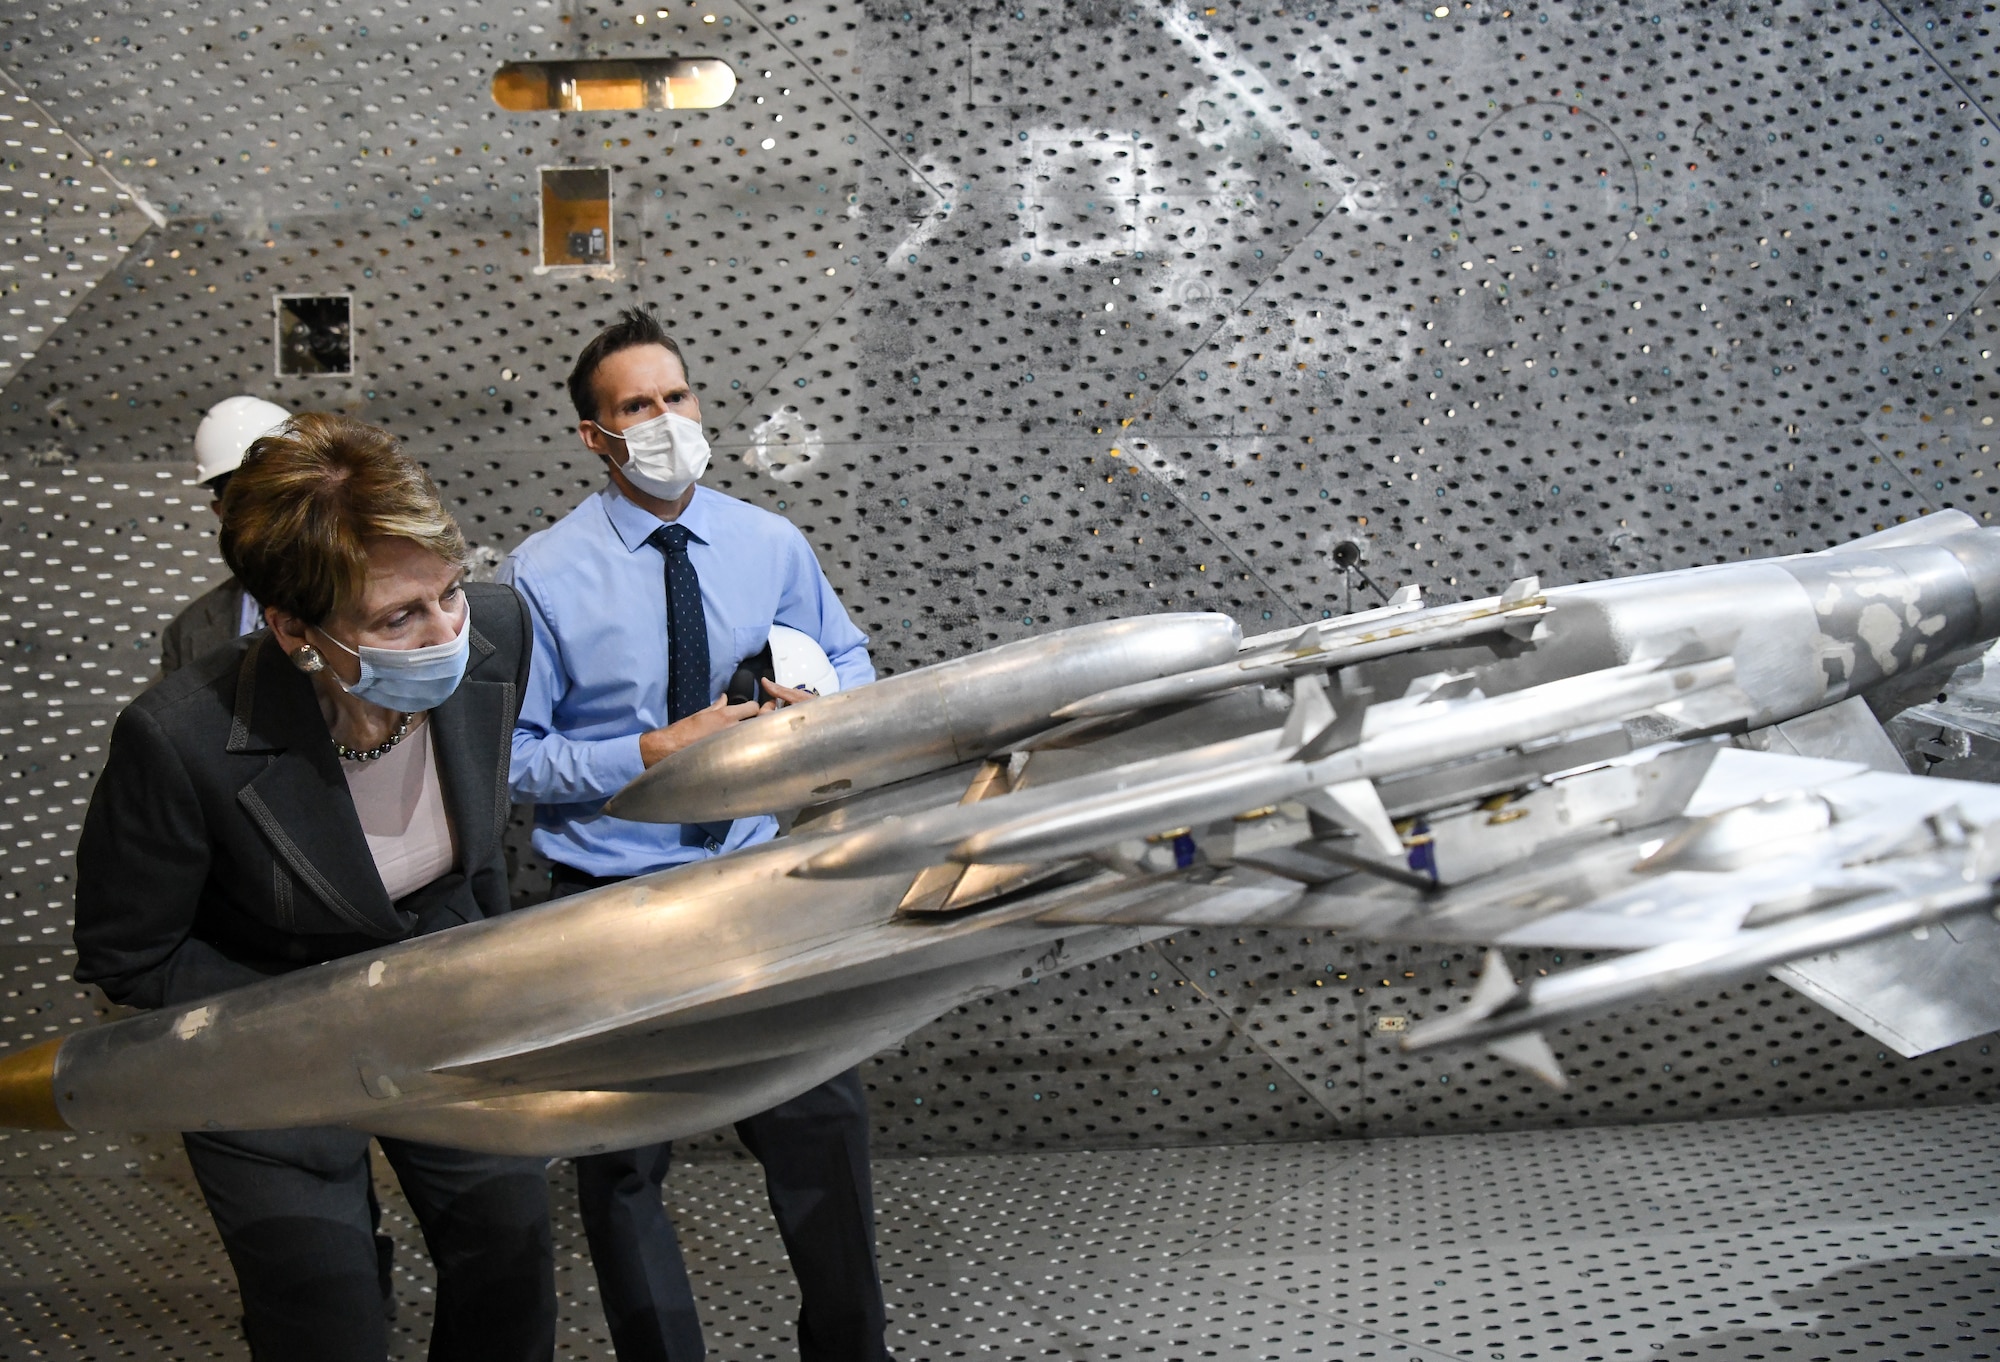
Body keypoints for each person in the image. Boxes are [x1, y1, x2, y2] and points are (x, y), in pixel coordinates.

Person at [72, 413, 557, 1362]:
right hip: (266, 1032)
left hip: (445, 995)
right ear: (293, 627)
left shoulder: (496, 632)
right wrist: (314, 1023)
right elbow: (128, 954)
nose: (446, 633)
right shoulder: (180, 739)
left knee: (509, 1268)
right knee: (323, 1311)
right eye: (396, 619)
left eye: (448, 592)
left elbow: (481, 853)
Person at [499, 308, 889, 1362]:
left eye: (677, 397)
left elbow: (851, 661)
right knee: (622, 1165)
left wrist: (822, 700)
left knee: (821, 1133)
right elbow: (514, 757)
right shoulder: (537, 578)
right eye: (637, 406)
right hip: (610, 903)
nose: (667, 420)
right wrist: (647, 756)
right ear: (595, 436)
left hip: (761, 883)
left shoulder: (770, 543)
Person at [160, 394, 292, 675]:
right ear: (221, 510)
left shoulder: (368, 594)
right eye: (244, 499)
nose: (265, 513)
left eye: (275, 493)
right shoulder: (187, 634)